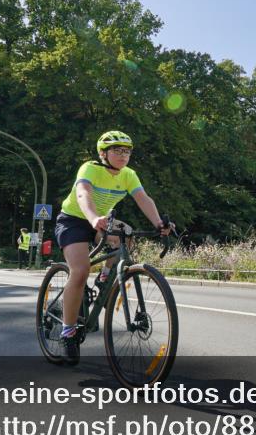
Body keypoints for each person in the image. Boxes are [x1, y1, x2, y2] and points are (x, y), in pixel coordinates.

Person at [52, 131, 172, 364]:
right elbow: (83, 193)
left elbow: (144, 199)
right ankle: (68, 332)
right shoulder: (90, 168)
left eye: (126, 151)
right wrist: (94, 218)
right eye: (117, 150)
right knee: (80, 270)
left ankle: (105, 278)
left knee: (125, 236)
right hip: (75, 219)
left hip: (102, 221)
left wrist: (159, 223)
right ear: (103, 153)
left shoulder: (128, 175)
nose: (123, 155)